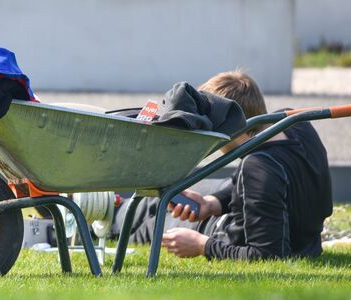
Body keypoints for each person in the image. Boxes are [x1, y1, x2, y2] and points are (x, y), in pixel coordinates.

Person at [121, 70, 332, 260]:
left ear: (225, 123)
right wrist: (212, 203)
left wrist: (202, 245)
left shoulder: (258, 167)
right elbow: (272, 186)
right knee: (163, 201)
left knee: (151, 219)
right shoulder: (297, 126)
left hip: (225, 233)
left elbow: (267, 255)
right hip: (307, 242)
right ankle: (113, 207)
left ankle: (107, 213)